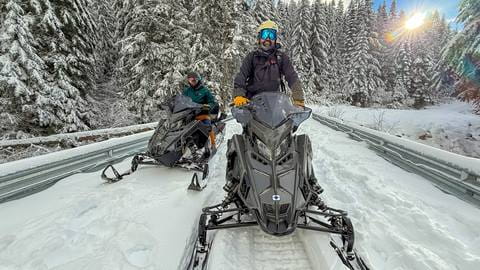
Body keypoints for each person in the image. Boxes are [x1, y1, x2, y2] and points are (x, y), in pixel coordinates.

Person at [232, 20, 305, 107]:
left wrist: (298, 97)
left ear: (275, 39)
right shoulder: (251, 57)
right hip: (252, 105)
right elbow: (241, 76)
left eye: (271, 35)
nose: (268, 39)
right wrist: (239, 95)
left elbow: (292, 76)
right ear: (259, 37)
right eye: (265, 34)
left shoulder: (281, 58)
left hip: (274, 105)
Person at [183, 72, 217, 147]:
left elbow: (212, 102)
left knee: (207, 126)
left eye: (194, 80)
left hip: (203, 113)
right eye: (190, 80)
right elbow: (182, 101)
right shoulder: (187, 91)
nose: (192, 82)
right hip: (190, 115)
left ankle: (213, 143)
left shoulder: (205, 90)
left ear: (198, 80)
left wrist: (207, 106)